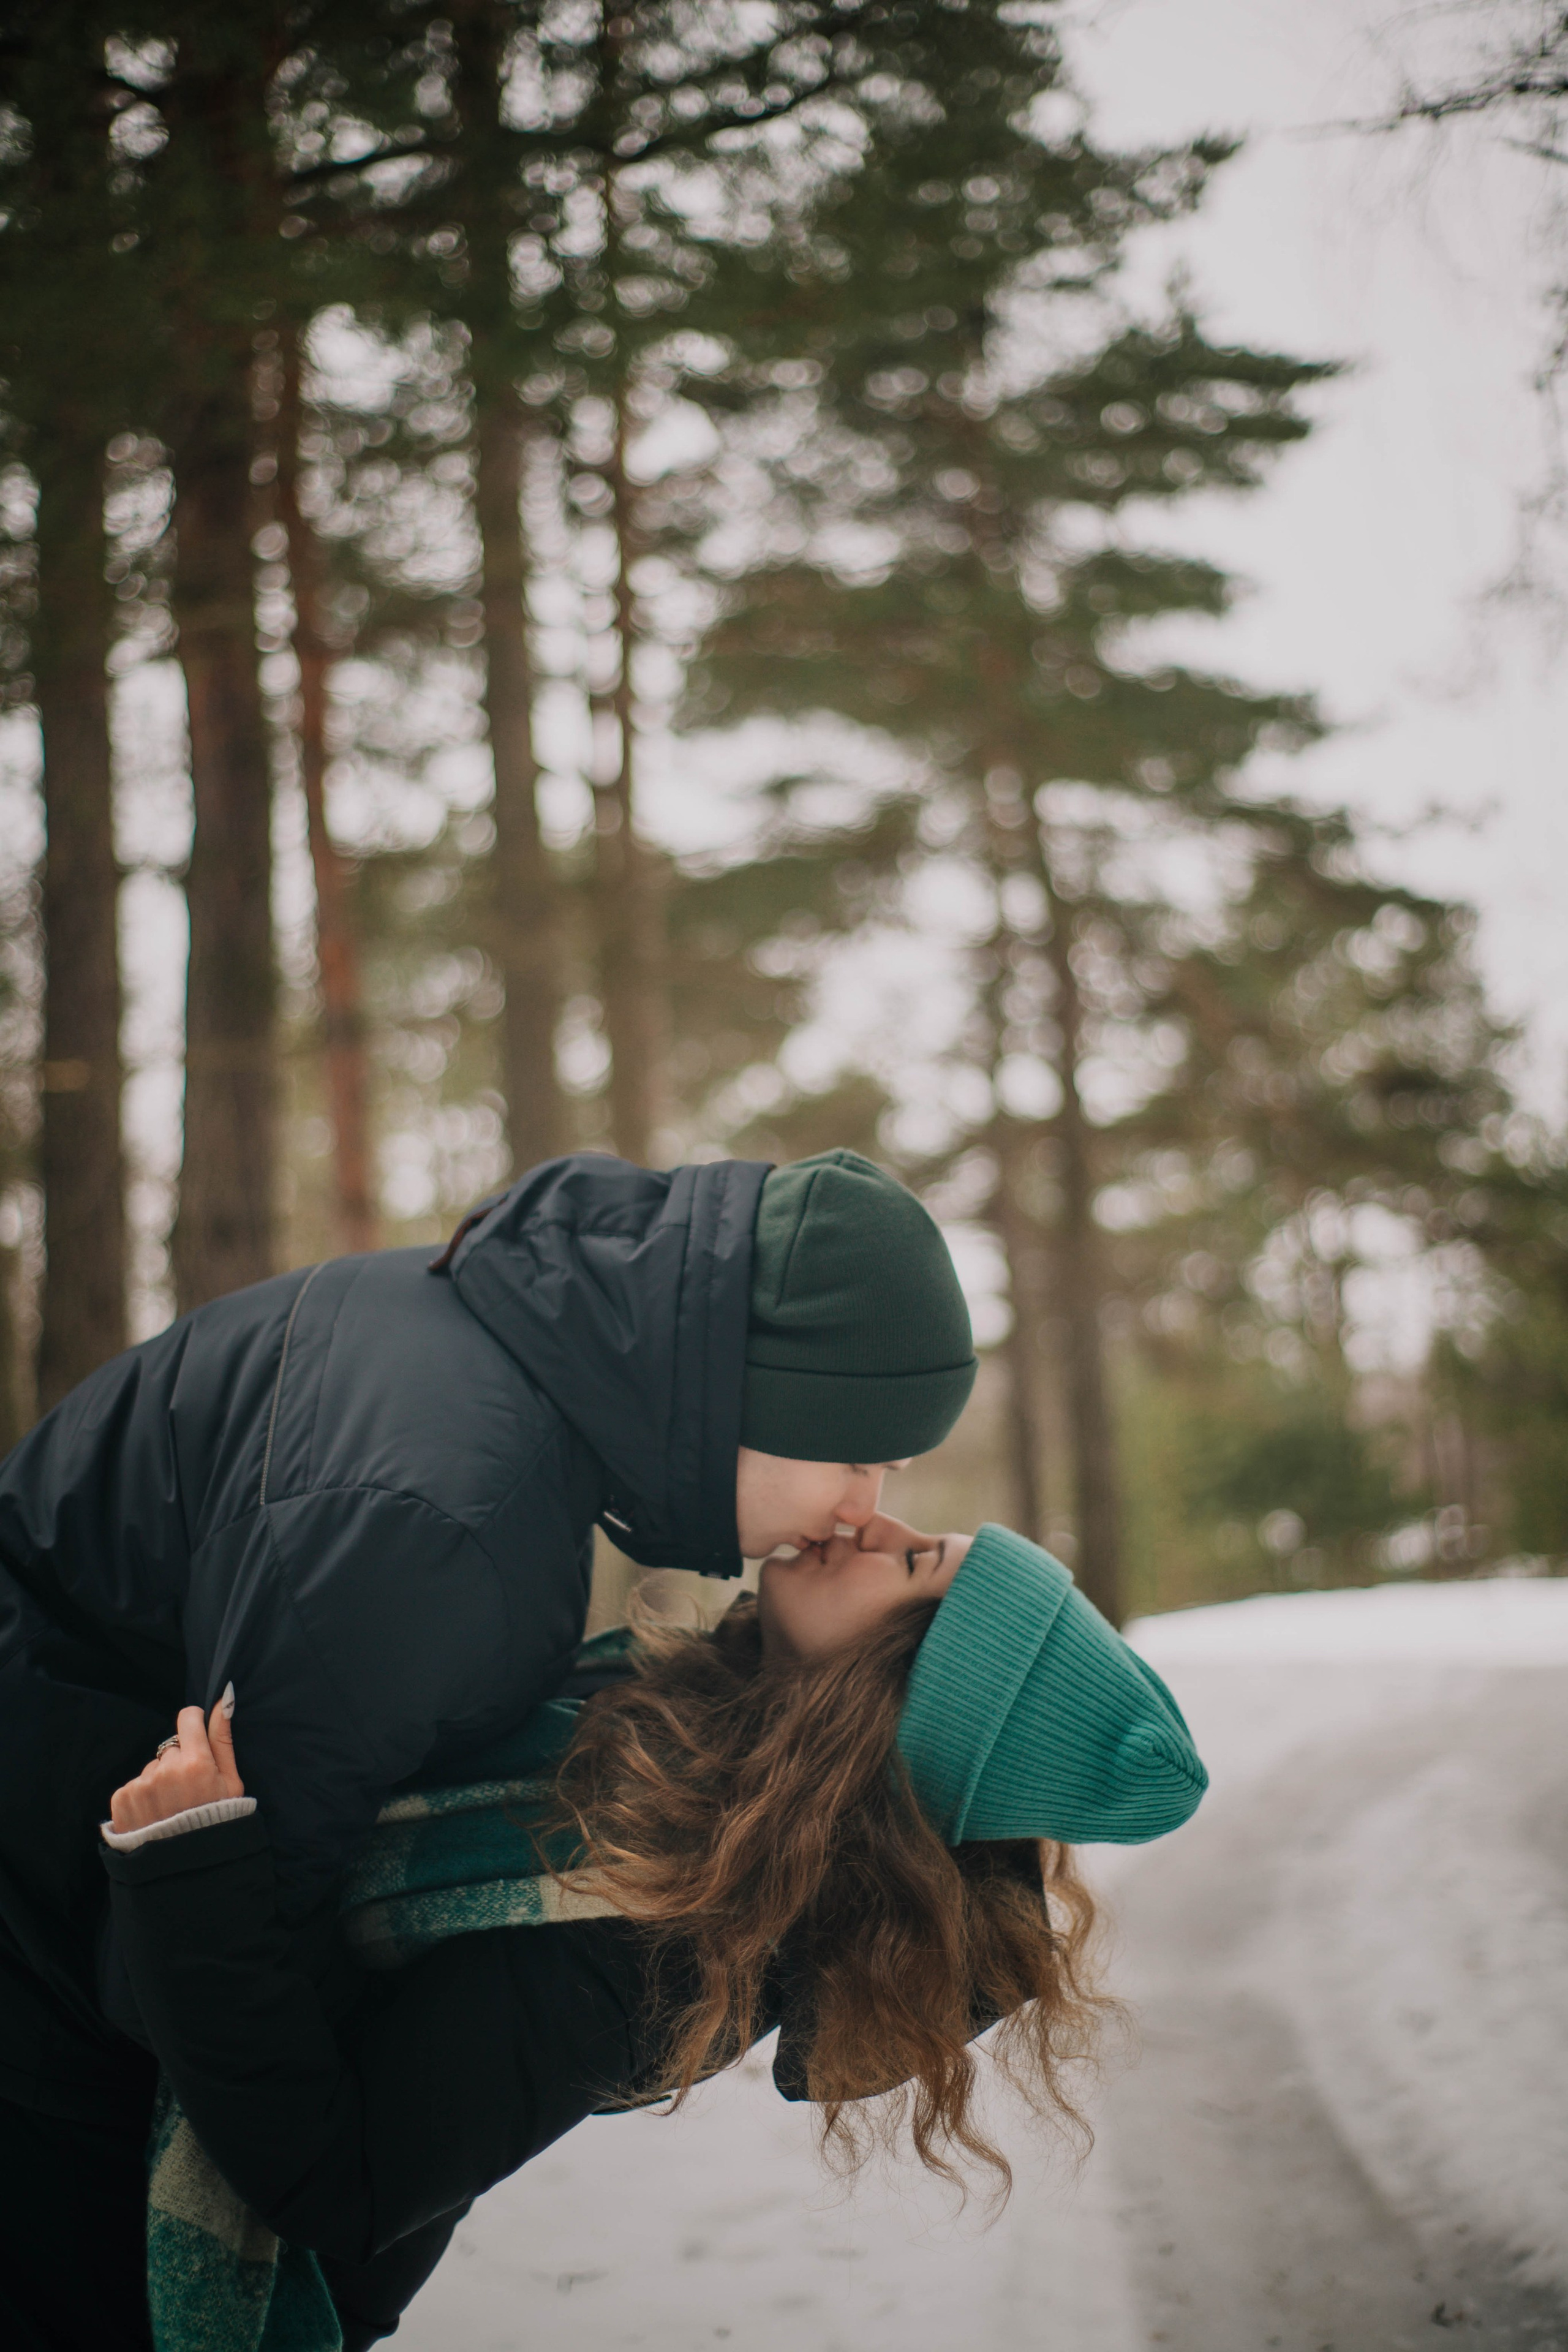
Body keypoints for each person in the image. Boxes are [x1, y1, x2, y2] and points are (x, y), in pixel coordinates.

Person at [0, 1150, 979, 2334]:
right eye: (862, 1452)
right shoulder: (449, 1518)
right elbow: (199, 1976)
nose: (868, 1505)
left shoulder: (496, 1376)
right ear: (763, 1392)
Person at [50, 1510, 1205, 2351]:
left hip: (116, 2255)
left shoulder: (655, 1945)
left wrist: (191, 1869)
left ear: (887, 1690)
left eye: (912, 1560)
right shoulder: (660, 1726)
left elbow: (341, 2187)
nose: (875, 1519)